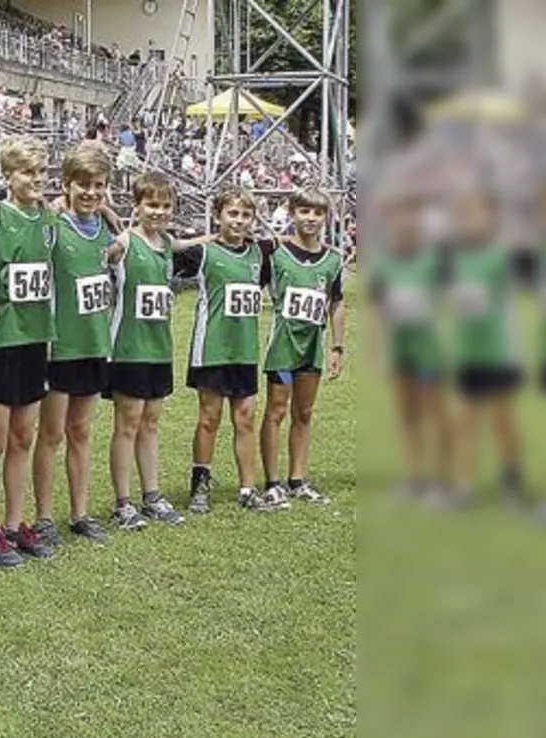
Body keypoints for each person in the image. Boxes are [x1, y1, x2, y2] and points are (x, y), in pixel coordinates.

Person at [0, 138, 55, 567]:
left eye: (41, 174)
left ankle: (18, 524)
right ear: (8, 176)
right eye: (26, 174)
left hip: (36, 340)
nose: (35, 181)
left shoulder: (49, 219)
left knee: (24, 436)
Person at [34, 140, 119, 545]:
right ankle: (44, 516)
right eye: (82, 184)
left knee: (82, 431)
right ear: (66, 184)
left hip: (94, 343)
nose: (91, 192)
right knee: (51, 434)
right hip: (60, 346)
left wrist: (110, 214)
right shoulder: (52, 225)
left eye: (99, 185)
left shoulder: (107, 228)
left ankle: (80, 513)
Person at [101, 171, 195, 530]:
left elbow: (188, 245)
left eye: (165, 205)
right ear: (137, 206)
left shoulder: (167, 243)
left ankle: (151, 495)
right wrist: (107, 217)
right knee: (127, 424)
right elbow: (100, 257)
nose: (158, 212)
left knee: (151, 423)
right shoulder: (125, 242)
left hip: (160, 350)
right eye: (151, 204)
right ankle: (123, 502)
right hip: (128, 349)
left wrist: (220, 235)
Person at [179, 185, 280, 513]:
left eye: (246, 215)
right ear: (217, 215)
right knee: (210, 417)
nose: (239, 221)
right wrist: (202, 239)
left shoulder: (260, 254)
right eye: (232, 213)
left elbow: (288, 246)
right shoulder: (203, 253)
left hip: (245, 351)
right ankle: (200, 483)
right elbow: (166, 248)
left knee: (245, 418)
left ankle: (247, 489)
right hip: (212, 349)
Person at [442, 177, 530, 509]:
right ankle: (463, 487)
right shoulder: (455, 257)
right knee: (466, 419)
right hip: (469, 351)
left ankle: (512, 483)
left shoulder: (501, 254)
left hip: (498, 352)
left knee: (503, 419)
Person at [258, 186, 348, 507]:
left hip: (312, 347)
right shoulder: (274, 253)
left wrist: (338, 347)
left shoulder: (333, 260)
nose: (310, 218)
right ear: (293, 212)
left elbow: (336, 303)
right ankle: (271, 482)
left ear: (326, 217)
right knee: (276, 411)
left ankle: (297, 479)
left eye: (317, 212)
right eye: (304, 211)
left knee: (305, 412)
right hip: (283, 346)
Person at [369, 182, 447, 503]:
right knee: (408, 415)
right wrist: (379, 348)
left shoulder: (436, 259)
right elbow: (379, 309)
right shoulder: (384, 263)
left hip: (429, 349)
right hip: (401, 351)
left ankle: (442, 482)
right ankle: (415, 478)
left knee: (435, 414)